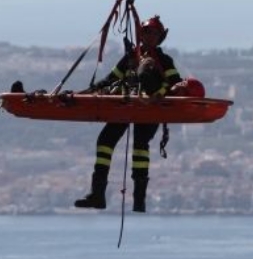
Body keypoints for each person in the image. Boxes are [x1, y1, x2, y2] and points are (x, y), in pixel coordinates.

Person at [74, 15, 182, 213]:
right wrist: (84, 94)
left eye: (154, 33)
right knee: (105, 142)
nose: (149, 36)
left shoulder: (164, 61)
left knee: (140, 147)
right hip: (126, 106)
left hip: (151, 109)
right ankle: (97, 194)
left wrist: (158, 94)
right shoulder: (131, 57)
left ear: (160, 37)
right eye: (146, 32)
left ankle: (139, 200)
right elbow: (111, 79)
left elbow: (177, 86)